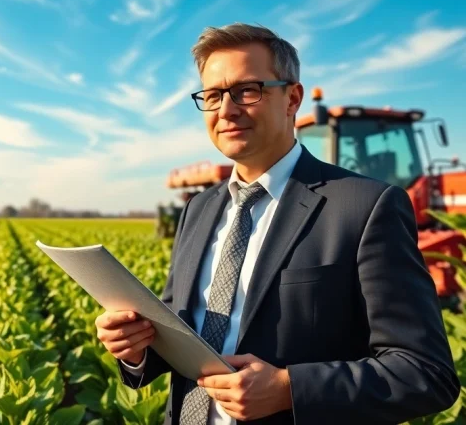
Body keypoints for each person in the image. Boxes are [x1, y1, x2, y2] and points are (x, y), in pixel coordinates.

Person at [94, 23, 459, 424]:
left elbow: (427, 373)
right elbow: (181, 324)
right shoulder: (198, 209)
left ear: (292, 98)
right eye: (213, 96)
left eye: (247, 90)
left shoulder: (367, 207)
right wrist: (137, 348)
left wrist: (290, 388)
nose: (227, 110)